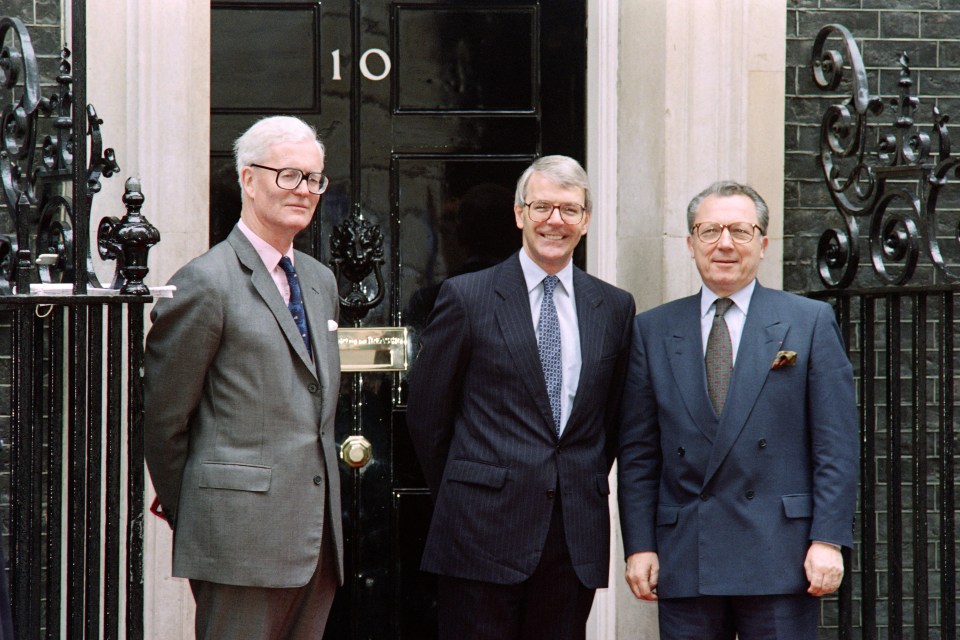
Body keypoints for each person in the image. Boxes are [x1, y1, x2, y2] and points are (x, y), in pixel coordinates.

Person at [407, 155, 635, 640]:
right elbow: (429, 416)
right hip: (479, 531)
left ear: (587, 220)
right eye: (543, 207)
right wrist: (475, 485)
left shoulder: (614, 307)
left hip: (572, 538)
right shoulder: (467, 297)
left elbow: (610, 420)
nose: (556, 220)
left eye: (570, 210)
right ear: (519, 214)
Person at [617, 181, 859, 639]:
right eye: (709, 231)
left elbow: (836, 446)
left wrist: (827, 539)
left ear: (763, 244)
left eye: (740, 231)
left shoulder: (808, 322)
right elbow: (638, 453)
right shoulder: (652, 329)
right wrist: (640, 546)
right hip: (687, 553)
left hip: (781, 555)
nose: (724, 244)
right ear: (691, 244)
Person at [143, 115, 343, 639]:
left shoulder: (320, 282)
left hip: (316, 542)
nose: (304, 190)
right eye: (288, 175)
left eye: (314, 178)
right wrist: (208, 513)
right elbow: (164, 419)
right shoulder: (205, 282)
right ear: (248, 179)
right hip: (237, 543)